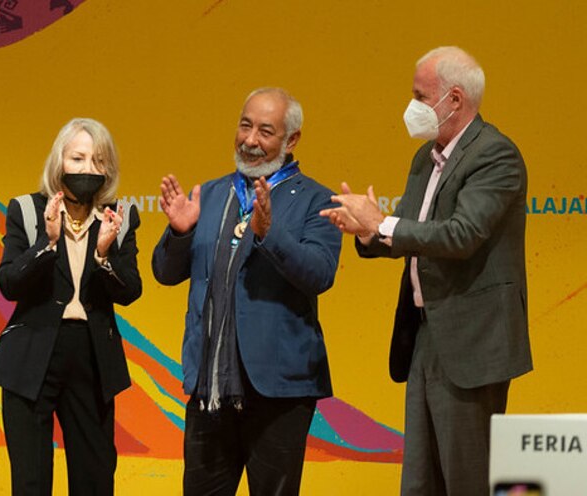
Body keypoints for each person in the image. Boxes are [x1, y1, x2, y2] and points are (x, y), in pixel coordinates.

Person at [320, 46, 533, 495]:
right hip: (424, 332)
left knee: (466, 479)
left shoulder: (495, 156)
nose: (412, 106)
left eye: (420, 95)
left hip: (473, 341)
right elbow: (408, 233)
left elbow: (460, 235)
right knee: (419, 479)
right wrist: (366, 231)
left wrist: (384, 223)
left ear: (454, 99)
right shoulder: (426, 158)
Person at [152, 87, 342, 496]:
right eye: (245, 125)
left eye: (266, 131)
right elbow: (165, 274)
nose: (250, 140)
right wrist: (180, 232)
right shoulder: (213, 194)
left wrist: (270, 233)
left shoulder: (316, 200)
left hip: (278, 391)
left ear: (291, 141)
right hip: (211, 386)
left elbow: (319, 274)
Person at [0, 117, 142, 495]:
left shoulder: (117, 218)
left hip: (91, 356)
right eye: (78, 158)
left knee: (94, 479)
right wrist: (47, 242)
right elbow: (9, 283)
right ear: (59, 161)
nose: (88, 169)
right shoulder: (26, 210)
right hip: (31, 355)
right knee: (31, 481)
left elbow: (130, 291)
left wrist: (104, 254)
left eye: (98, 161)